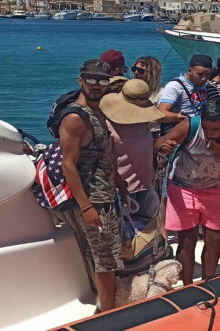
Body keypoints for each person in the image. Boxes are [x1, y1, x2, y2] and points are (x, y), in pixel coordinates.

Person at [56, 59, 128, 312]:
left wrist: (119, 184)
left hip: (105, 195)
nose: (96, 85)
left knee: (102, 257)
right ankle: (108, 315)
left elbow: (101, 154)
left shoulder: (97, 112)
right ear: (81, 81)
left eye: (101, 80)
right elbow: (68, 165)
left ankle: (104, 307)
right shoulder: (76, 118)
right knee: (105, 260)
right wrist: (86, 206)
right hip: (93, 199)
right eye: (91, 79)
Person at [154, 100, 220, 285]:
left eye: (215, 129)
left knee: (213, 240)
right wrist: (164, 146)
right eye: (206, 128)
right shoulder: (190, 126)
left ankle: (208, 283)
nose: (209, 134)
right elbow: (158, 143)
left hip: (216, 190)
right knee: (187, 241)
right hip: (183, 188)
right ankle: (187, 286)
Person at [100, 79, 168, 272]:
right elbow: (105, 160)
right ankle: (126, 277)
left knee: (145, 236)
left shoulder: (142, 122)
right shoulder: (107, 126)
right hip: (121, 192)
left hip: (146, 186)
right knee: (124, 241)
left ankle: (143, 269)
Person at [157, 54, 219, 132]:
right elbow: (161, 113)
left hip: (202, 129)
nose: (204, 79)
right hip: (184, 130)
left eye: (207, 75)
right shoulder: (175, 86)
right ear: (190, 71)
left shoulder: (205, 84)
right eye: (200, 74)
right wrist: (177, 116)